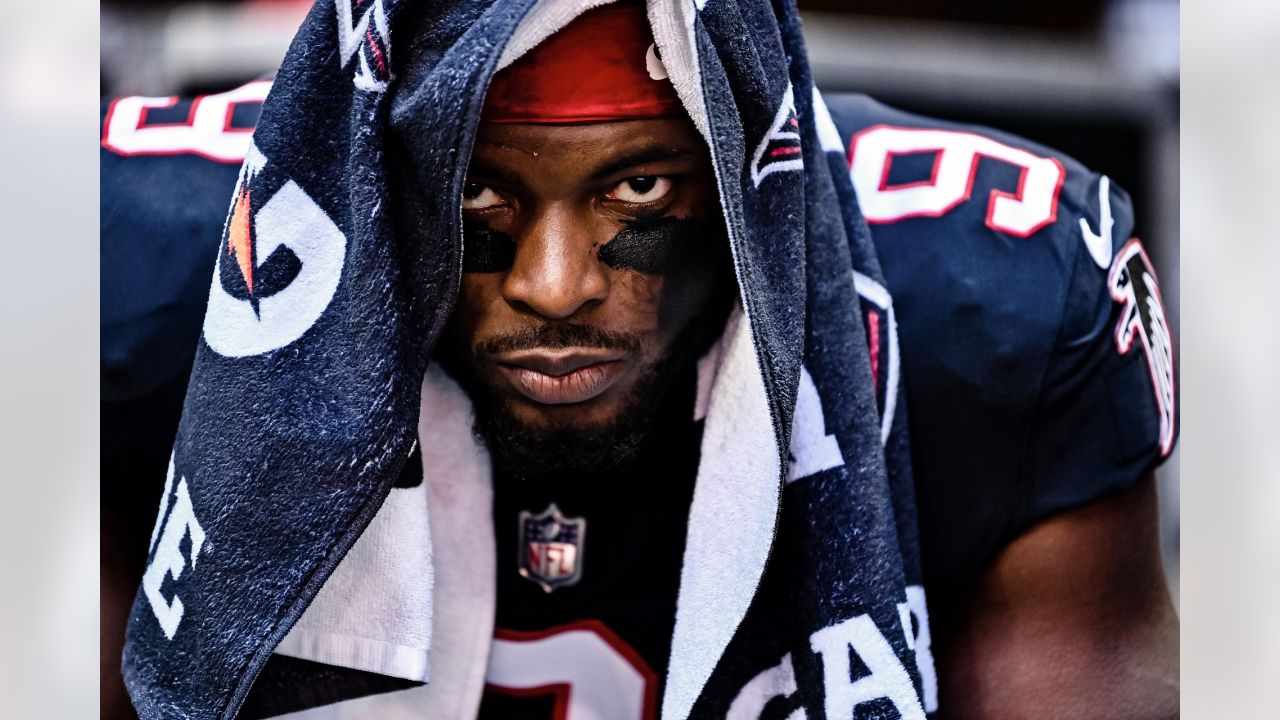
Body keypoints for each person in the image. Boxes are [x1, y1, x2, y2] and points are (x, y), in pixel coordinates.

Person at [101, 1, 1178, 718]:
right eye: (478, 193)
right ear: (373, 173)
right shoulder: (136, 266)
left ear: (748, 173)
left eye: (639, 190)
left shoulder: (990, 300)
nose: (555, 284)